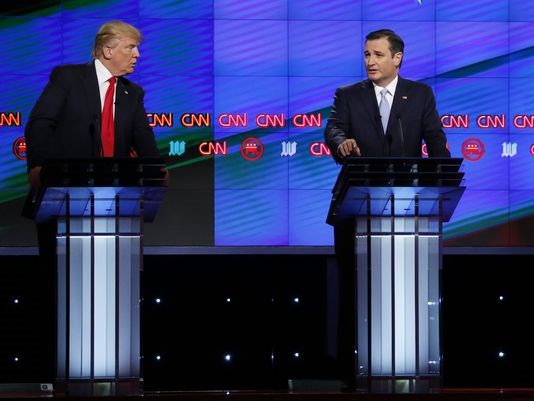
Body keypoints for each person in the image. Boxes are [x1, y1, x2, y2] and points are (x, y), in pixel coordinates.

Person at [23, 21, 165, 378]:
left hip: (114, 207)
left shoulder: (133, 93)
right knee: (59, 292)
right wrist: (39, 167)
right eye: (131, 47)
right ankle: (54, 374)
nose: (137, 55)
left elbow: (143, 142)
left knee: (108, 296)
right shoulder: (69, 79)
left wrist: (157, 172)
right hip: (63, 200)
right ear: (107, 50)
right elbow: (39, 124)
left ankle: (110, 373)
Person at [323, 28, 450, 389]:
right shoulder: (348, 95)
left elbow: (435, 141)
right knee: (355, 288)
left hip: (409, 209)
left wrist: (443, 178)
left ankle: (409, 368)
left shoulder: (420, 94)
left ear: (397, 58)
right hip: (355, 208)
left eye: (378, 55)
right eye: (366, 54)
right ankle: (353, 373)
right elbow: (332, 128)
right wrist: (341, 142)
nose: (370, 62)